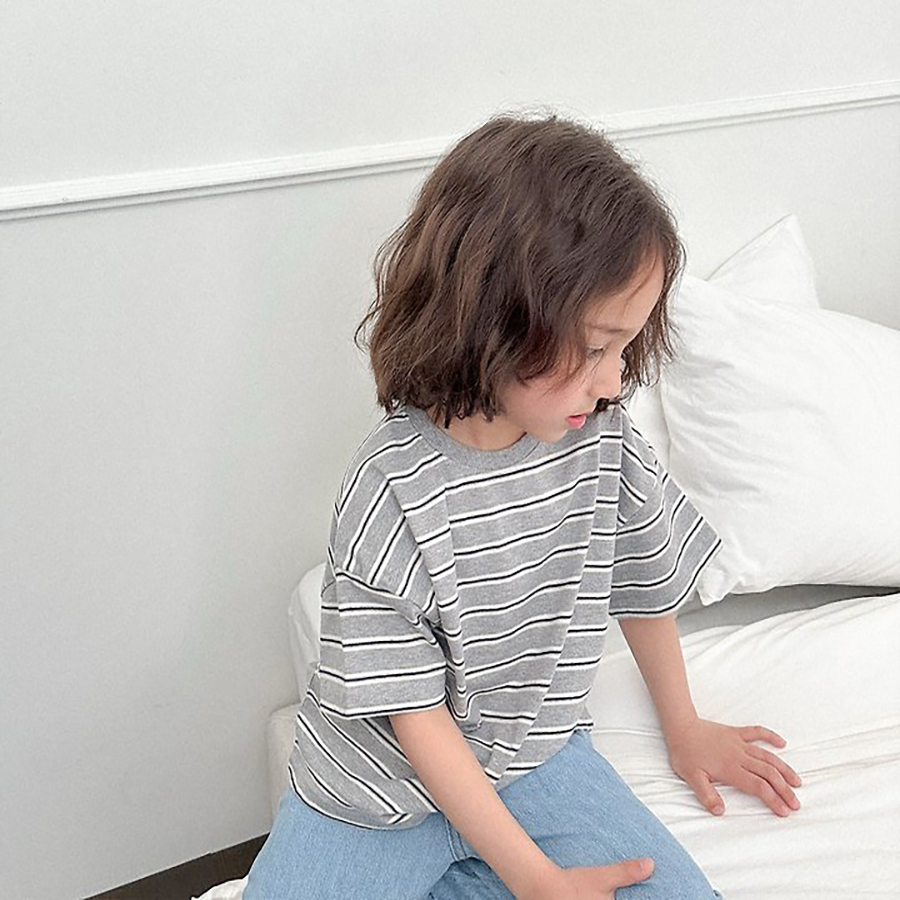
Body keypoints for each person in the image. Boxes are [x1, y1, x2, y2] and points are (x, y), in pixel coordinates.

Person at [242, 112, 802, 899]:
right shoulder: (391, 487)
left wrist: (684, 728)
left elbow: (642, 580)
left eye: (625, 347)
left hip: (532, 760)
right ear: (494, 316)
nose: (614, 381)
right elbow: (417, 721)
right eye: (597, 346)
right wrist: (534, 877)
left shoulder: (602, 439)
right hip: (376, 794)